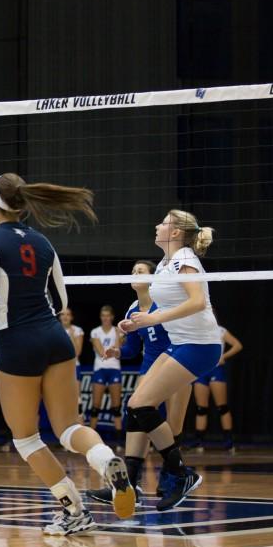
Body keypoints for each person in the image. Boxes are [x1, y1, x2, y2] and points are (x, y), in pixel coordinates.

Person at [0, 173, 134, 535]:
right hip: (55, 336)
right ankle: (107, 462)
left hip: (16, 340)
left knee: (26, 438)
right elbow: (62, 300)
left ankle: (75, 513)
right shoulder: (42, 241)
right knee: (69, 426)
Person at [119, 209, 222, 511]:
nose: (157, 225)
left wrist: (155, 319)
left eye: (163, 222)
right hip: (180, 344)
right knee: (135, 405)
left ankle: (179, 473)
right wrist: (140, 321)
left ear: (176, 232)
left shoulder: (185, 259)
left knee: (142, 405)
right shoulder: (165, 263)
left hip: (200, 345)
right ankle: (164, 475)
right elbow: (170, 304)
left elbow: (197, 301)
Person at [85, 260, 182, 507]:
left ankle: (171, 478)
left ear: (153, 277)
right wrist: (117, 352)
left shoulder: (166, 302)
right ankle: (131, 484)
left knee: (174, 426)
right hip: (149, 366)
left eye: (140, 271)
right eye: (133, 271)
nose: (134, 273)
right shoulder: (131, 309)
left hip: (177, 362)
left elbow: (183, 332)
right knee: (135, 412)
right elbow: (132, 349)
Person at [190, 324, 243, 453]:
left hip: (215, 370)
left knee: (222, 407)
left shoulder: (220, 331)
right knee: (201, 408)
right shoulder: (196, 330)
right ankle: (199, 442)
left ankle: (229, 442)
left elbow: (237, 345)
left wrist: (223, 356)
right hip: (201, 370)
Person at [88, 305, 123, 435]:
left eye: (108, 316)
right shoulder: (95, 332)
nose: (106, 318)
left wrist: (118, 337)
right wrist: (113, 349)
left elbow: (118, 350)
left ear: (112, 317)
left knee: (116, 407)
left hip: (114, 368)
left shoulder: (117, 331)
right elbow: (102, 352)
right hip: (100, 368)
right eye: (103, 315)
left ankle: (120, 441)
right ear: (100, 317)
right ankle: (91, 437)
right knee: (95, 406)